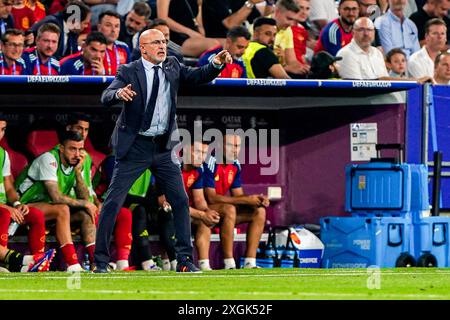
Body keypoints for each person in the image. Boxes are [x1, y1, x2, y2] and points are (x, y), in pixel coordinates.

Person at [94, 28, 232, 273]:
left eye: (164, 42)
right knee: (113, 202)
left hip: (164, 146)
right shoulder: (129, 71)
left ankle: (184, 261)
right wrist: (119, 93)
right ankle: (101, 262)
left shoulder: (173, 65)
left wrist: (215, 64)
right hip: (135, 146)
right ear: (143, 48)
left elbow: (199, 75)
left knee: (179, 200)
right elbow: (106, 96)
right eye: (156, 42)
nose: (162, 46)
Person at [16, 130, 96, 272]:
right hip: (24, 206)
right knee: (62, 209)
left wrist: (77, 172)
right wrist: (86, 203)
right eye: (72, 149)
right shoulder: (49, 159)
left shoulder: (77, 163)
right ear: (61, 148)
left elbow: (84, 198)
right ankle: (72, 264)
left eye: (80, 149)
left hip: (49, 210)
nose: (77, 154)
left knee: (85, 215)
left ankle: (96, 262)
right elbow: (56, 197)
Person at [66, 113, 133, 271]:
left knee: (123, 213)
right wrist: (89, 203)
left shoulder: (85, 157)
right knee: (90, 213)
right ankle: (97, 262)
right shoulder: (57, 155)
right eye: (79, 128)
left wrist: (97, 202)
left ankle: (122, 263)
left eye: (86, 130)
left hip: (83, 203)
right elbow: (76, 196)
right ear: (68, 128)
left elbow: (88, 189)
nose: (83, 133)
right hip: (64, 205)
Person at [203, 134, 269, 269]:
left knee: (259, 211)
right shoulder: (210, 162)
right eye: (230, 145)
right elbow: (210, 197)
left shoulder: (236, 165)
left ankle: (250, 262)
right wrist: (246, 199)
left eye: (237, 146)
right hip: (205, 210)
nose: (235, 150)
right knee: (229, 209)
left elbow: (238, 194)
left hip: (225, 212)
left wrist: (254, 200)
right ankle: (229, 263)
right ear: (220, 146)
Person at [0, 117, 47, 257]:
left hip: (4, 206)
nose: (0, 134)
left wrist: (17, 203)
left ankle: (38, 261)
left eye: (2, 129)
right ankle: (4, 259)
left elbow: (9, 188)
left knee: (35, 214)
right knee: (4, 213)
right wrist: (7, 208)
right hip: (2, 209)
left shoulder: (3, 154)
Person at [156, 0, 221, 57]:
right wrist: (190, 32)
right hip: (177, 38)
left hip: (193, 36)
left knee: (227, 43)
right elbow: (163, 19)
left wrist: (201, 34)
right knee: (214, 44)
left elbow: (198, 21)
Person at [97, 10, 131, 75]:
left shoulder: (124, 47)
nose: (113, 30)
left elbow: (129, 74)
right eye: (108, 25)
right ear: (99, 27)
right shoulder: (94, 48)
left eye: (117, 26)